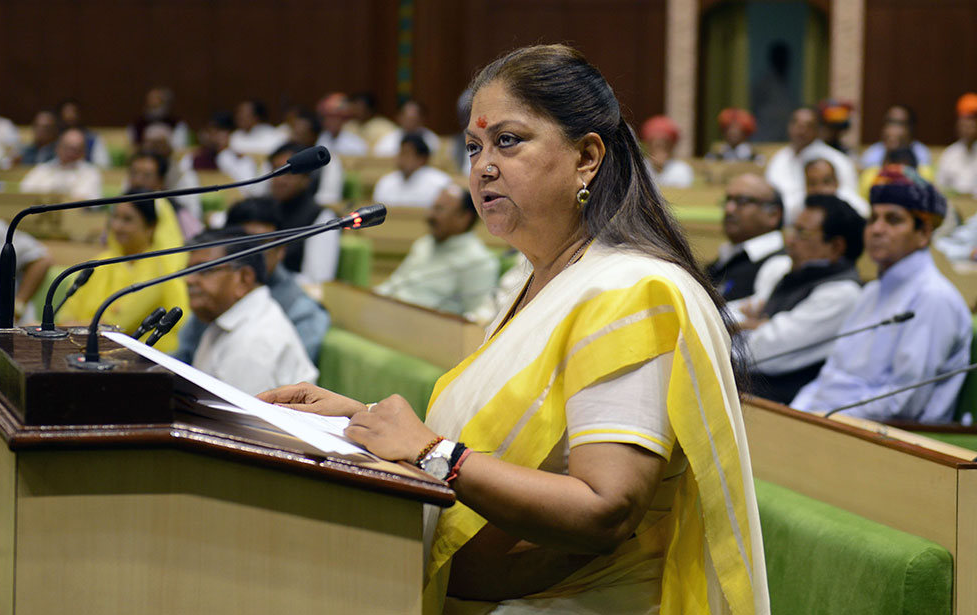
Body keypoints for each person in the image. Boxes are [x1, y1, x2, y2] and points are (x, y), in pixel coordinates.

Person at [259, 45, 769, 614]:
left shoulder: (631, 291)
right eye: (474, 147)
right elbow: (507, 456)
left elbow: (606, 508)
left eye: (509, 140)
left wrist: (431, 452)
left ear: (587, 157)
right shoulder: (534, 283)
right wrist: (365, 423)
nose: (483, 167)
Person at [791, 166, 971, 423]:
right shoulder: (871, 291)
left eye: (893, 220)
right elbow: (830, 375)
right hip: (828, 423)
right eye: (873, 218)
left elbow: (903, 404)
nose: (876, 229)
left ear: (923, 234)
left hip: (884, 442)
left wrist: (822, 420)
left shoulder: (933, 298)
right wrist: (796, 413)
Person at [173, 197, 331, 365]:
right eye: (243, 244)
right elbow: (185, 357)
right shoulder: (214, 293)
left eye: (261, 243)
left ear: (280, 250)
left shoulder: (302, 310)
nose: (252, 252)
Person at [741, 194, 865, 404]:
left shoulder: (842, 293)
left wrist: (741, 326)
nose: (790, 239)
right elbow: (737, 310)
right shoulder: (795, 271)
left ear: (835, 247)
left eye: (802, 233)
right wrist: (748, 324)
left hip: (780, 409)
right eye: (792, 229)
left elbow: (760, 352)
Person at [186, 228, 318, 395]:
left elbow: (235, 418)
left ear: (244, 278)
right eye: (189, 271)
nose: (189, 280)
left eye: (204, 270)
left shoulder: (256, 339)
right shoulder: (229, 319)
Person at [59, 191, 190, 352]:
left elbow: (117, 325)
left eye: (127, 220)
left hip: (143, 359)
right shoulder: (102, 262)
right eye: (115, 217)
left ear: (151, 227)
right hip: (86, 346)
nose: (117, 226)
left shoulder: (159, 270)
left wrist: (61, 329)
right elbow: (69, 308)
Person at [375, 184, 499, 317]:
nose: (430, 215)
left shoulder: (479, 262)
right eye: (432, 207)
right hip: (388, 314)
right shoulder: (423, 244)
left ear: (464, 218)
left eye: (439, 209)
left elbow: (477, 316)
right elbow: (393, 284)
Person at [706, 173, 791, 310]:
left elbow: (758, 321)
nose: (729, 209)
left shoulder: (781, 264)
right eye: (727, 200)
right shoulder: (727, 257)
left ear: (773, 215)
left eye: (742, 201)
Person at [764, 107, 857, 220]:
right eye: (796, 124)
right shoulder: (779, 158)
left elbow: (849, 198)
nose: (801, 130)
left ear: (818, 130)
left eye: (807, 126)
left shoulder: (837, 160)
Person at [268, 142, 340, 284]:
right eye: (276, 170)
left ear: (306, 179)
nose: (279, 180)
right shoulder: (262, 210)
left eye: (288, 173)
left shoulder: (322, 217)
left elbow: (318, 281)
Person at [372, 132, 453, 209]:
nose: (401, 158)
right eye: (401, 153)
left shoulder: (440, 183)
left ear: (422, 158)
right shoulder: (385, 182)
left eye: (407, 153)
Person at [20, 127, 103, 200]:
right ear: (58, 147)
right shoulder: (42, 169)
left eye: (76, 149)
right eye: (67, 147)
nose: (70, 153)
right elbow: (24, 193)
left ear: (83, 152)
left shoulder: (90, 173)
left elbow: (86, 201)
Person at [859, 105, 932, 169]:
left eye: (899, 124)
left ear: (910, 128)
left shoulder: (921, 154)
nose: (892, 129)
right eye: (889, 123)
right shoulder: (872, 154)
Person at [799, 157, 869, 219]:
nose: (819, 189)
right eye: (812, 183)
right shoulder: (799, 209)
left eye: (826, 182)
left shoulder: (859, 208)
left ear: (836, 183)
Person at [935, 93, 977, 195]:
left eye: (972, 121)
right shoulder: (950, 154)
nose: (967, 127)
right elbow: (940, 188)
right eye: (963, 122)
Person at [638, 115, 694, 188]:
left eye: (664, 144)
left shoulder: (682, 170)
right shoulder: (640, 168)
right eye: (655, 143)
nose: (659, 148)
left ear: (672, 146)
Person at [373, 98, 442, 157]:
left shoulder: (431, 139)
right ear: (399, 118)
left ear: (422, 120)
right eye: (407, 119)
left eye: (413, 119)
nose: (410, 123)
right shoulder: (388, 140)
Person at [317, 92, 369, 156]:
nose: (330, 121)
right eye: (327, 117)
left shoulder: (355, 143)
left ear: (343, 119)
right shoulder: (323, 138)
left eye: (335, 117)